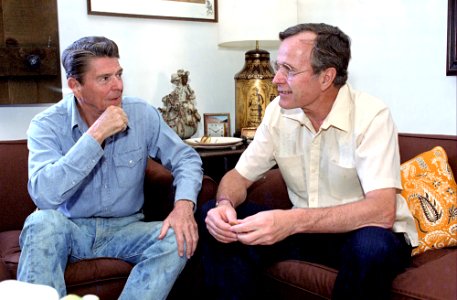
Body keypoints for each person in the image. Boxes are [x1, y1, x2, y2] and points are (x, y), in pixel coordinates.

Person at [200, 23, 418, 300]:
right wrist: (224, 205)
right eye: (279, 67)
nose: (276, 78)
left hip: (365, 232)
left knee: (370, 247)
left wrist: (292, 221)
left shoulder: (371, 116)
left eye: (288, 70)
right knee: (213, 219)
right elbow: (238, 177)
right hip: (306, 232)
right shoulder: (278, 112)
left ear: (326, 77)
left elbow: (381, 211)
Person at [17, 36, 203, 300]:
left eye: (119, 74)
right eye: (105, 79)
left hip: (126, 229)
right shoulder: (46, 125)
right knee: (40, 223)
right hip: (70, 228)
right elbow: (44, 195)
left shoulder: (142, 114)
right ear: (75, 86)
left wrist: (184, 206)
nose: (118, 86)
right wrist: (95, 136)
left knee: (177, 237)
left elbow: (187, 158)